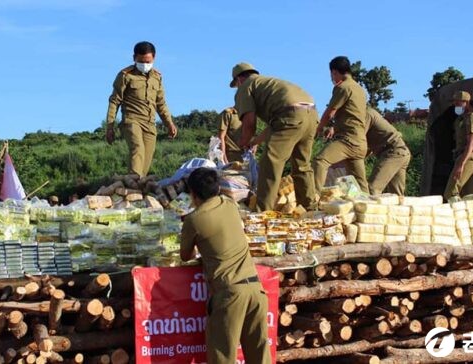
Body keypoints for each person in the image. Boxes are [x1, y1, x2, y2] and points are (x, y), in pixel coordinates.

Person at [180, 168, 270, 364]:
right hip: (256, 290)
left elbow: (185, 256)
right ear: (218, 188)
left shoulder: (193, 220)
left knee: (222, 356)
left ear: (193, 194)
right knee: (260, 355)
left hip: (230, 294)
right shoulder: (229, 204)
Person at [231, 62, 317, 211]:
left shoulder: (245, 87)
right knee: (302, 165)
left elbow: (249, 122)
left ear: (239, 79)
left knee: (270, 164)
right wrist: (253, 142)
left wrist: (242, 142)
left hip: (289, 114)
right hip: (311, 114)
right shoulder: (268, 83)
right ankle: (309, 210)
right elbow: (276, 126)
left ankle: (263, 214)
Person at [105, 41, 177, 177]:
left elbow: (161, 103)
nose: (145, 65)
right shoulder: (125, 75)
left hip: (150, 124)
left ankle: (137, 189)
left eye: (148, 61)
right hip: (132, 121)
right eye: (141, 61)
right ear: (134, 58)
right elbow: (114, 101)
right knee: (137, 149)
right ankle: (133, 185)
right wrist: (110, 126)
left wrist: (169, 123)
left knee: (146, 161)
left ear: (154, 58)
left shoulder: (157, 77)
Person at [313, 56, 369, 193]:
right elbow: (351, 113)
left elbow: (330, 112)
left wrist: (317, 129)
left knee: (320, 161)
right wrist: (332, 127)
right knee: (360, 183)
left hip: (347, 140)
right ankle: (368, 207)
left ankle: (314, 200)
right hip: (360, 142)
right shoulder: (360, 89)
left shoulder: (343, 87)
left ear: (334, 72)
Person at [363, 108, 411, 195]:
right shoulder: (368, 114)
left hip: (393, 152)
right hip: (401, 152)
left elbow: (358, 140)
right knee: (396, 196)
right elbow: (366, 149)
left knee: (372, 189)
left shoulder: (366, 114)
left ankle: (372, 209)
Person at [443, 91, 473, 199]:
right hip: (462, 157)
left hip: (467, 158)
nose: (455, 105)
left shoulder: (471, 117)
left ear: (466, 102)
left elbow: (471, 142)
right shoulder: (460, 119)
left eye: (457, 103)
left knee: (451, 193)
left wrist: (461, 164)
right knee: (469, 197)